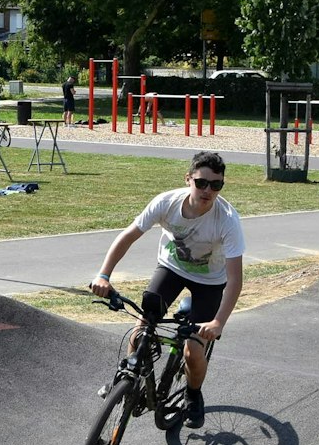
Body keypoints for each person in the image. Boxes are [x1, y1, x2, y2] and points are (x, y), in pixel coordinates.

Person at [87, 152, 246, 430]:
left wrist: (218, 322)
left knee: (192, 352)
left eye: (216, 185)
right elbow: (128, 236)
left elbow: (235, 279)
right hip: (171, 269)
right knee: (141, 330)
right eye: (201, 183)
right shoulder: (167, 202)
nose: (208, 190)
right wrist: (103, 275)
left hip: (209, 282)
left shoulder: (227, 220)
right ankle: (125, 378)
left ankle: (193, 395)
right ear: (188, 179)